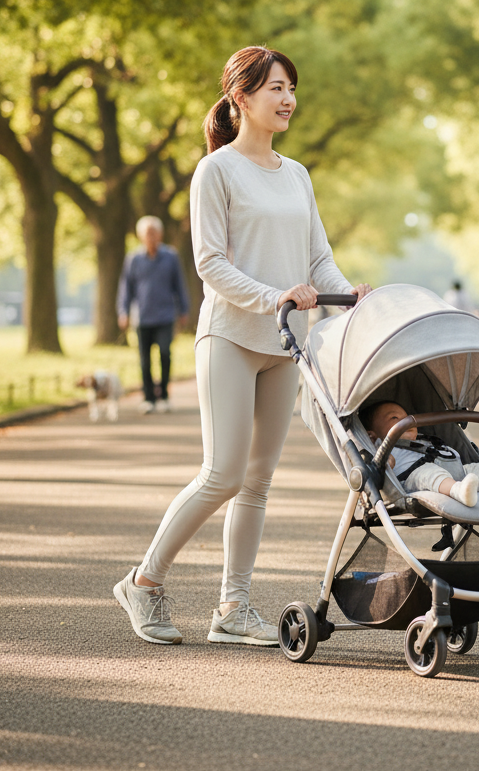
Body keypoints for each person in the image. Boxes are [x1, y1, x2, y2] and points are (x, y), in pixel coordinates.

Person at [114, 46, 371, 647]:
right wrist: (275, 296)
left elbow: (318, 259)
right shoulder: (217, 171)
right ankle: (144, 582)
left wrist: (347, 292)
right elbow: (210, 265)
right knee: (222, 472)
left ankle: (233, 607)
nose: (288, 99)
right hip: (230, 335)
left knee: (258, 481)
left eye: (291, 88)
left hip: (285, 345)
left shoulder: (298, 173)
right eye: (276, 88)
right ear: (241, 98)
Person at [360, 401, 479, 507]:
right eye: (395, 418)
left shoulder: (423, 439)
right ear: (372, 434)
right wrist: (385, 461)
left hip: (456, 470)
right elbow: (382, 463)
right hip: (414, 478)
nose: (406, 422)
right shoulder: (380, 445)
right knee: (431, 474)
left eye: (408, 417)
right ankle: (458, 492)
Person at [117, 216, 190, 414]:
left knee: (165, 354)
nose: (151, 236)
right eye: (147, 233)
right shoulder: (133, 259)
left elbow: (179, 285)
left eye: (154, 232)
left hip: (166, 315)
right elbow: (126, 288)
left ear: (160, 234)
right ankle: (148, 397)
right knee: (144, 359)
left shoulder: (171, 256)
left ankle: (164, 395)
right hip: (142, 317)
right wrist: (123, 311)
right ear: (141, 236)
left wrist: (184, 309)